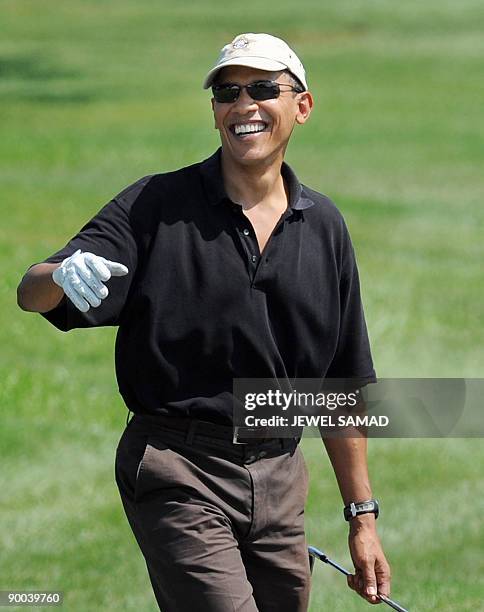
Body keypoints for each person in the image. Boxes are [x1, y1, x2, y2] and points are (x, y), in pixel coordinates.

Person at [17, 32, 391, 611]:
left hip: (280, 478)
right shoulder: (155, 207)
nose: (243, 105)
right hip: (177, 467)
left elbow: (339, 388)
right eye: (226, 92)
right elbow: (31, 291)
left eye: (263, 88)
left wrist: (362, 518)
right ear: (214, 111)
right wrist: (59, 276)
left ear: (303, 106)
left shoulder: (325, 228)